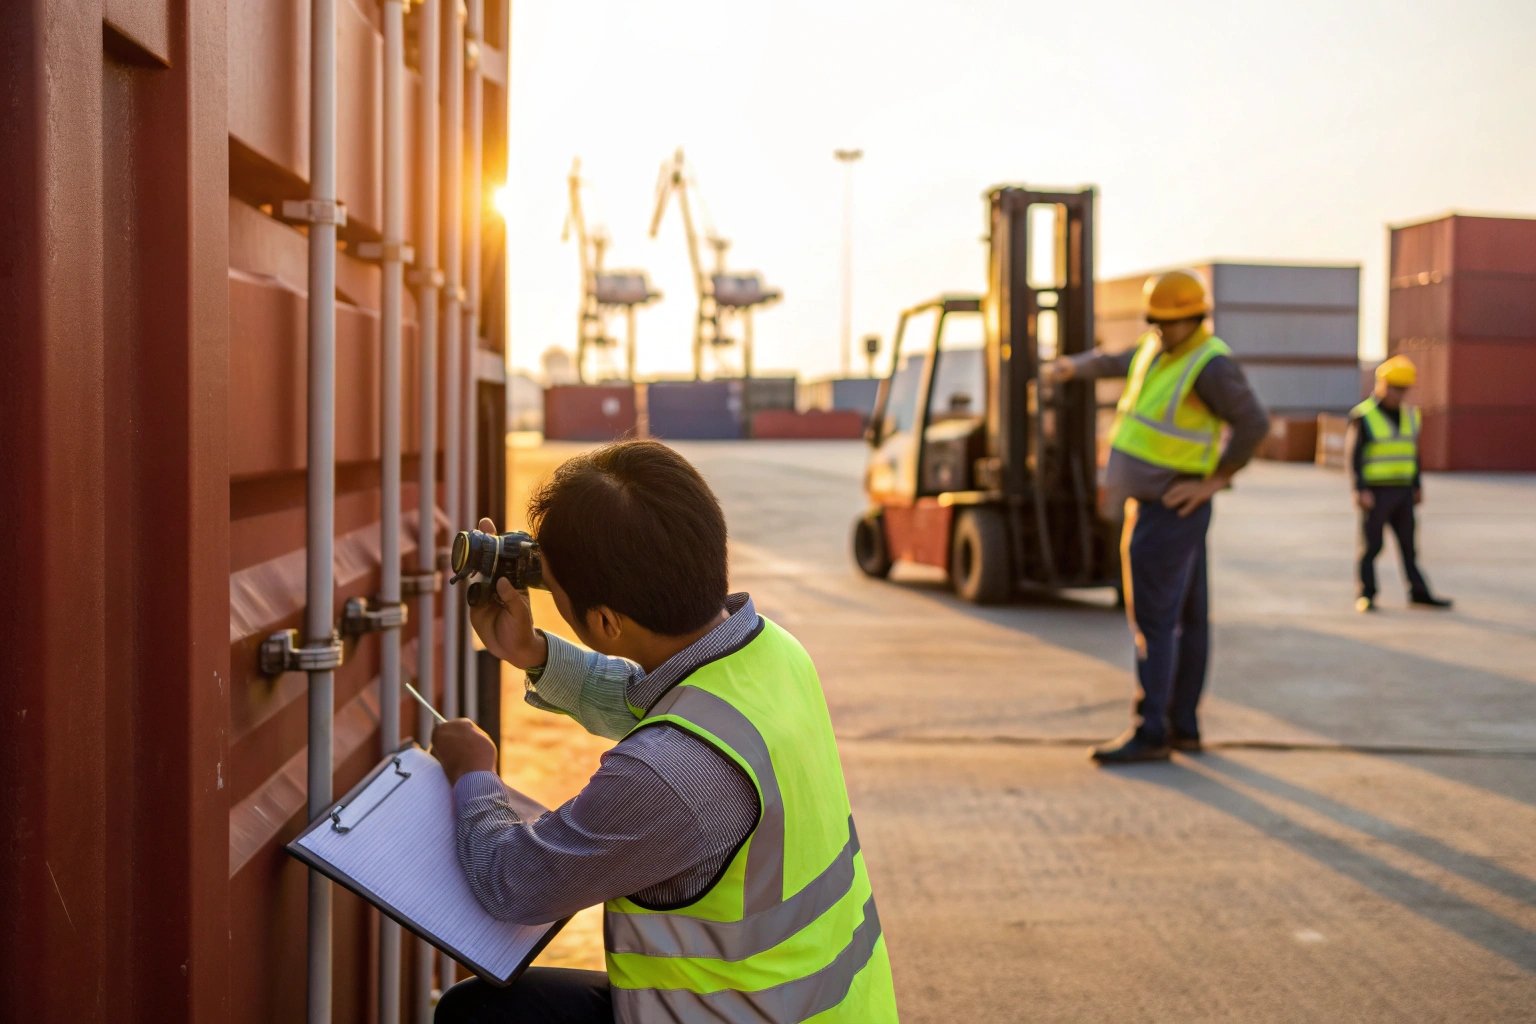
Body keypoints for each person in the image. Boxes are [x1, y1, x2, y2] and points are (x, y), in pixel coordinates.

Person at [429, 439, 898, 1023]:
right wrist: (535, 653)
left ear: (604, 622)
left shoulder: (669, 779)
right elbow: (651, 705)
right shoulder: (771, 651)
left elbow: (514, 883)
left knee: (477, 1015)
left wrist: (472, 771)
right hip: (821, 1005)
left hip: (748, 1014)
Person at [1042, 269, 1270, 764]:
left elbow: (1254, 423)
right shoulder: (1158, 349)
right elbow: (1117, 360)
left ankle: (1151, 731)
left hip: (1169, 509)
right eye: (1156, 323)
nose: (1160, 331)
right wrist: (1071, 368)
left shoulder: (1209, 366)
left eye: (1170, 323)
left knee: (1155, 622)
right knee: (1185, 619)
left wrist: (1214, 480)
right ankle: (1182, 727)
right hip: (1158, 507)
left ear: (1195, 319)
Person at [1350, 356, 1453, 613]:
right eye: (1395, 387)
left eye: (1403, 389)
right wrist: (1359, 489)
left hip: (1403, 491)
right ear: (1382, 384)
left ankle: (1419, 593)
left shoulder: (1411, 416)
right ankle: (1367, 594)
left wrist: (1417, 485)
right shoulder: (1364, 416)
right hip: (1376, 492)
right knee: (1372, 546)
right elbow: (1354, 457)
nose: (1399, 394)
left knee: (1409, 547)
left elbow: (1412, 453)